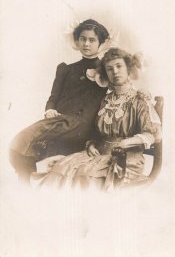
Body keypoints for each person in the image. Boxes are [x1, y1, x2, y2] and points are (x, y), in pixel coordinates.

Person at [32, 47, 162, 190]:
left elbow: (153, 134)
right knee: (61, 168)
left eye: (119, 66)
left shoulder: (139, 100)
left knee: (86, 174)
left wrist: (127, 142)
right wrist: (92, 144)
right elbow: (96, 132)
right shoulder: (105, 100)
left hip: (125, 159)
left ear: (128, 68)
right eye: (109, 69)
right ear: (105, 73)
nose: (115, 72)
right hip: (98, 154)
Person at [9, 19, 110, 183]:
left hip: (83, 126)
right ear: (77, 41)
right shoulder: (66, 69)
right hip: (60, 121)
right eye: (83, 39)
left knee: (23, 141)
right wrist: (50, 109)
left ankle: (27, 180)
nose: (86, 43)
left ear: (100, 43)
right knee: (23, 144)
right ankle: (26, 181)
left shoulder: (106, 70)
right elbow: (53, 97)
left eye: (92, 40)